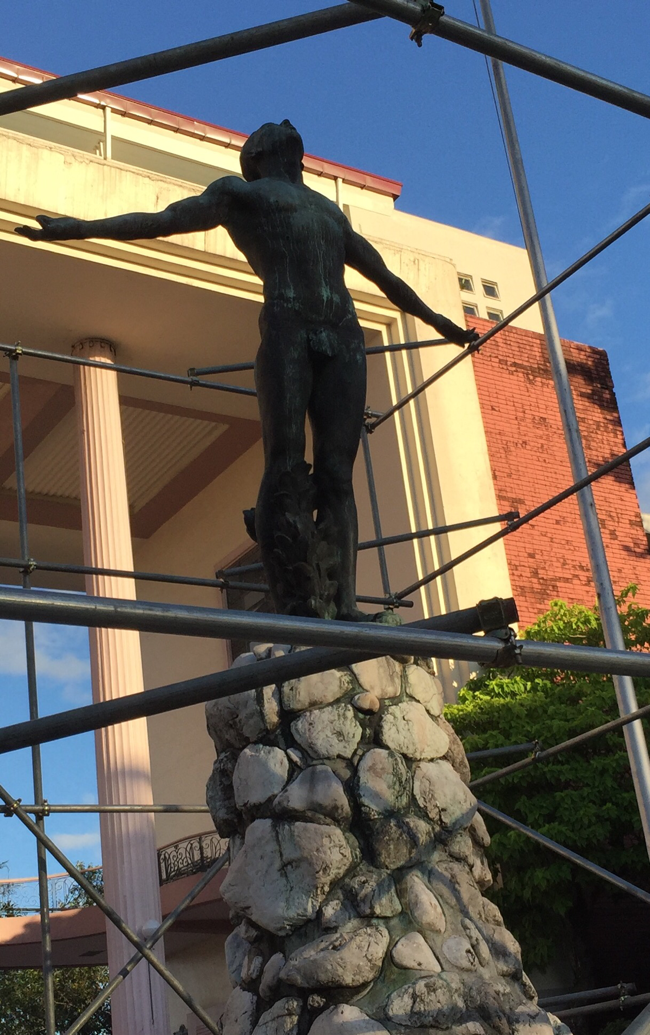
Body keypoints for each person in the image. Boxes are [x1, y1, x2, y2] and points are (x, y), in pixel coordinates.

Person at [16, 120, 477, 620]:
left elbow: (385, 277)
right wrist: (79, 229)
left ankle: (345, 604)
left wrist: (439, 322)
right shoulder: (239, 194)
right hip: (288, 327)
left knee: (337, 475)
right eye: (271, 131)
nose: (284, 127)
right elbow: (164, 219)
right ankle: (294, 600)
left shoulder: (329, 211)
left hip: (343, 333)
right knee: (284, 461)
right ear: (255, 155)